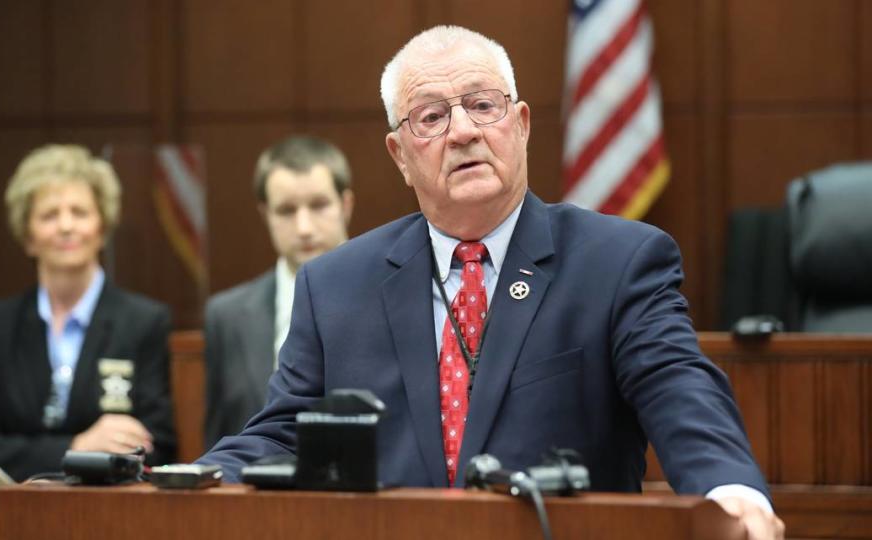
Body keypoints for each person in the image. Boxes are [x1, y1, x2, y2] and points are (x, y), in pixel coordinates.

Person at [198, 26, 784, 539]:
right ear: (400, 155)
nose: (462, 132)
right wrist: (183, 481)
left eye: (482, 105)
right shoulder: (335, 285)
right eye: (431, 116)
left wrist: (730, 491)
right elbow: (282, 434)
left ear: (521, 124)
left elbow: (678, 387)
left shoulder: (617, 262)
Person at [0, 144, 176, 537]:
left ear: (102, 227)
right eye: (49, 215)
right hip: (10, 523)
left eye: (80, 212)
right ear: (28, 235)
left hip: (109, 523)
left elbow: (158, 444)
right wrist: (80, 445)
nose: (66, 226)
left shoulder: (144, 322)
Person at [203, 135, 354, 447]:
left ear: (346, 205)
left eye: (318, 205)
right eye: (286, 210)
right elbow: (219, 435)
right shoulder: (227, 316)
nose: (304, 228)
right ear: (265, 215)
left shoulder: (389, 295)